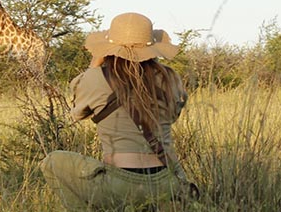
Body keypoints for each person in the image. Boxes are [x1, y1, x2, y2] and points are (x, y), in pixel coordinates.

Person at [40, 12, 195, 210]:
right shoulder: (171, 78)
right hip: (166, 182)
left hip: (119, 183)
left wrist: (94, 64)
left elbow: (77, 113)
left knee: (52, 161)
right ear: (151, 47)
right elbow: (173, 116)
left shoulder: (96, 78)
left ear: (108, 49)